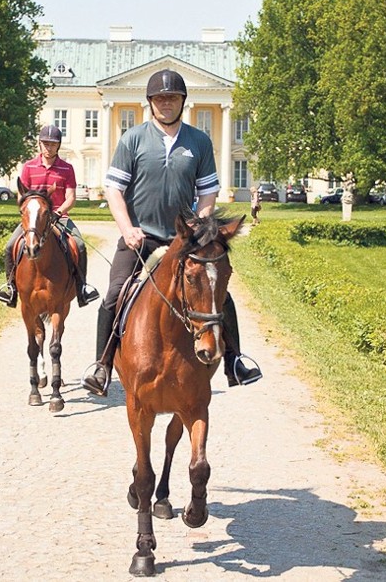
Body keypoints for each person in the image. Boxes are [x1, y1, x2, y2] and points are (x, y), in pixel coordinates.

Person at [82, 69, 262, 397]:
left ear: (182, 102)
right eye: (160, 98)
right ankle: (102, 365)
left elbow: (207, 191)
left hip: (184, 238)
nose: (167, 103)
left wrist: (202, 224)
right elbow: (113, 189)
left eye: (173, 98)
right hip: (142, 236)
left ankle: (235, 361)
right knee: (114, 294)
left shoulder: (199, 141)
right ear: (150, 102)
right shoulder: (132, 139)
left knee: (218, 294)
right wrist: (127, 229)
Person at [0, 124, 100, 308]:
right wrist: (29, 209)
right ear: (39, 144)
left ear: (58, 145)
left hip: (59, 217)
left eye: (52, 144)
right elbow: (22, 195)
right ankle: (10, 288)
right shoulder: (28, 167)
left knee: (80, 245)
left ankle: (82, 287)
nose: (48, 147)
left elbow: (71, 197)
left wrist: (58, 212)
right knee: (10, 245)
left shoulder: (67, 169)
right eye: (45, 143)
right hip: (34, 218)